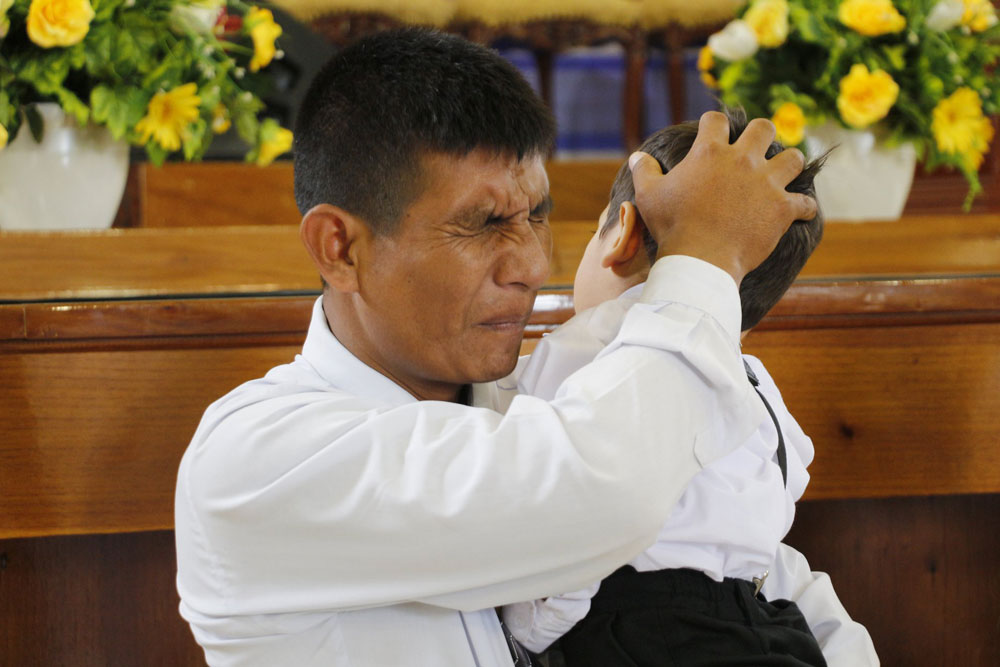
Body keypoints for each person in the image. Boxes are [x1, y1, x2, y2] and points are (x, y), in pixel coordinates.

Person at [174, 28, 817, 666]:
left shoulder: (557, 396)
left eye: (536, 215)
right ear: (340, 248)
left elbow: (757, 567)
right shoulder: (254, 458)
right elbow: (595, 496)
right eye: (484, 224)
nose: (532, 265)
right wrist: (705, 257)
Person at [501, 112, 878, 666]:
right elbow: (791, 469)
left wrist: (535, 626)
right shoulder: (754, 380)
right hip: (766, 624)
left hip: (636, 627)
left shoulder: (588, 345)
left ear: (622, 234)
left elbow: (562, 510)